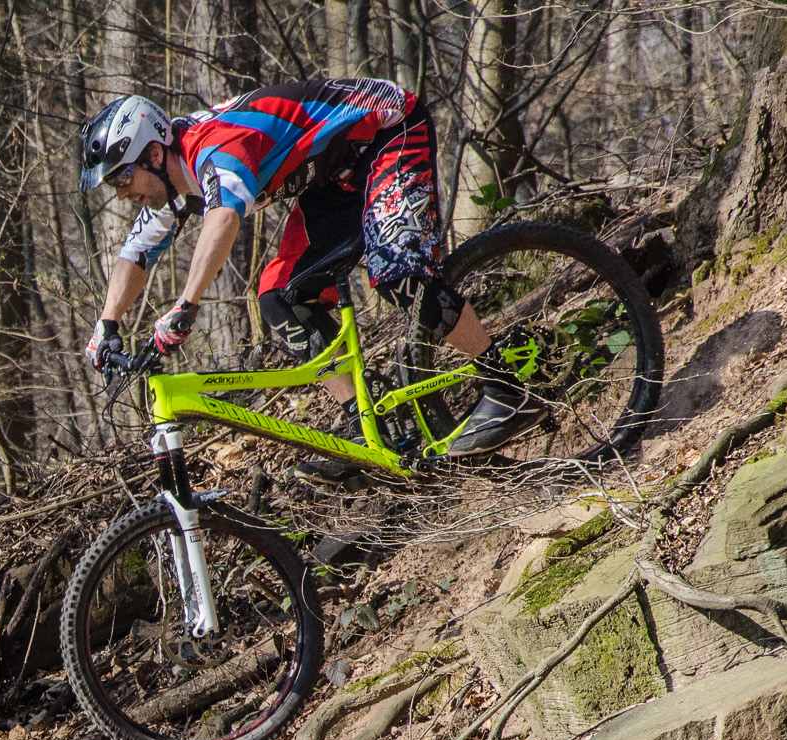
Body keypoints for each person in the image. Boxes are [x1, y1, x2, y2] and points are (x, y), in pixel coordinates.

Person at [78, 80, 544, 461]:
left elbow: (223, 218)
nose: (120, 193)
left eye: (122, 176)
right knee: (280, 297)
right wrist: (106, 326)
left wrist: (186, 305)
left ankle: (507, 388)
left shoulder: (215, 146)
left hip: (387, 131)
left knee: (398, 272)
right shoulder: (171, 180)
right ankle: (368, 428)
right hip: (334, 177)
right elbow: (135, 254)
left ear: (154, 155)